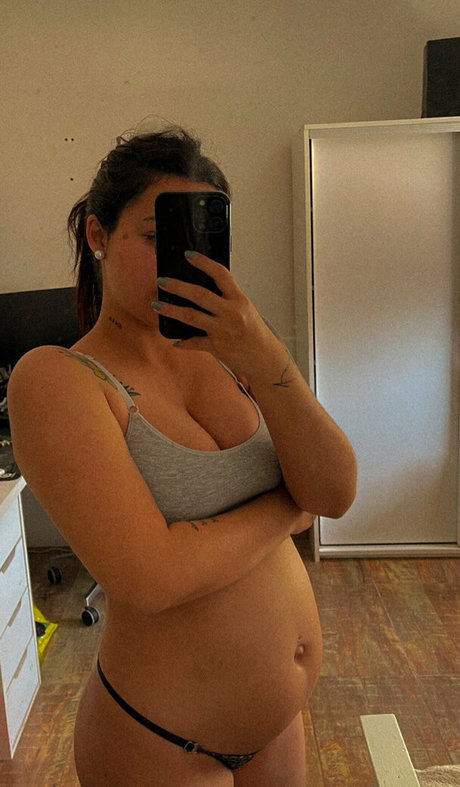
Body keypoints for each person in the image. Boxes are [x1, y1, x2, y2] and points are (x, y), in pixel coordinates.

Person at [8, 127, 357, 787]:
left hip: (278, 728)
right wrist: (288, 510)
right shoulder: (59, 380)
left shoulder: (236, 354)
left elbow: (335, 492)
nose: (184, 260)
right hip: (159, 744)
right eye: (155, 236)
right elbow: (152, 577)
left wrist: (265, 352)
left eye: (203, 239)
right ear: (98, 234)